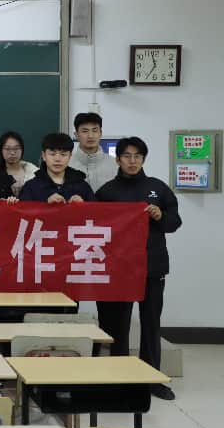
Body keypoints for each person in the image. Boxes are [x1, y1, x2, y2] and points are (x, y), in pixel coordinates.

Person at [95, 137, 182, 401]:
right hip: (119, 267)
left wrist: (160, 216)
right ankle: (120, 377)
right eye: (127, 156)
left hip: (152, 266)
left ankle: (151, 379)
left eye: (137, 156)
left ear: (143, 159)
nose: (132, 161)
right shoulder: (107, 191)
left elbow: (174, 222)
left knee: (151, 323)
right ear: (118, 159)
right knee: (118, 326)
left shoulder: (158, 188)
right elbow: (95, 225)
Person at [19, 133, 95, 203]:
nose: (57, 159)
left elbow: (96, 210)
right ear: (44, 156)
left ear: (70, 156)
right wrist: (45, 204)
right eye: (52, 154)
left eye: (63, 154)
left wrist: (83, 205)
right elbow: (23, 211)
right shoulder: (31, 187)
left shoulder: (82, 186)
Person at [69, 112, 117, 192]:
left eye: (94, 131)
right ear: (76, 135)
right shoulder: (67, 164)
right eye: (85, 131)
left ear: (100, 133)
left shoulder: (115, 165)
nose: (90, 136)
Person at [0, 131, 38, 197]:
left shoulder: (33, 172)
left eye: (16, 148)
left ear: (22, 150)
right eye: (7, 149)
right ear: (0, 150)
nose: (12, 153)